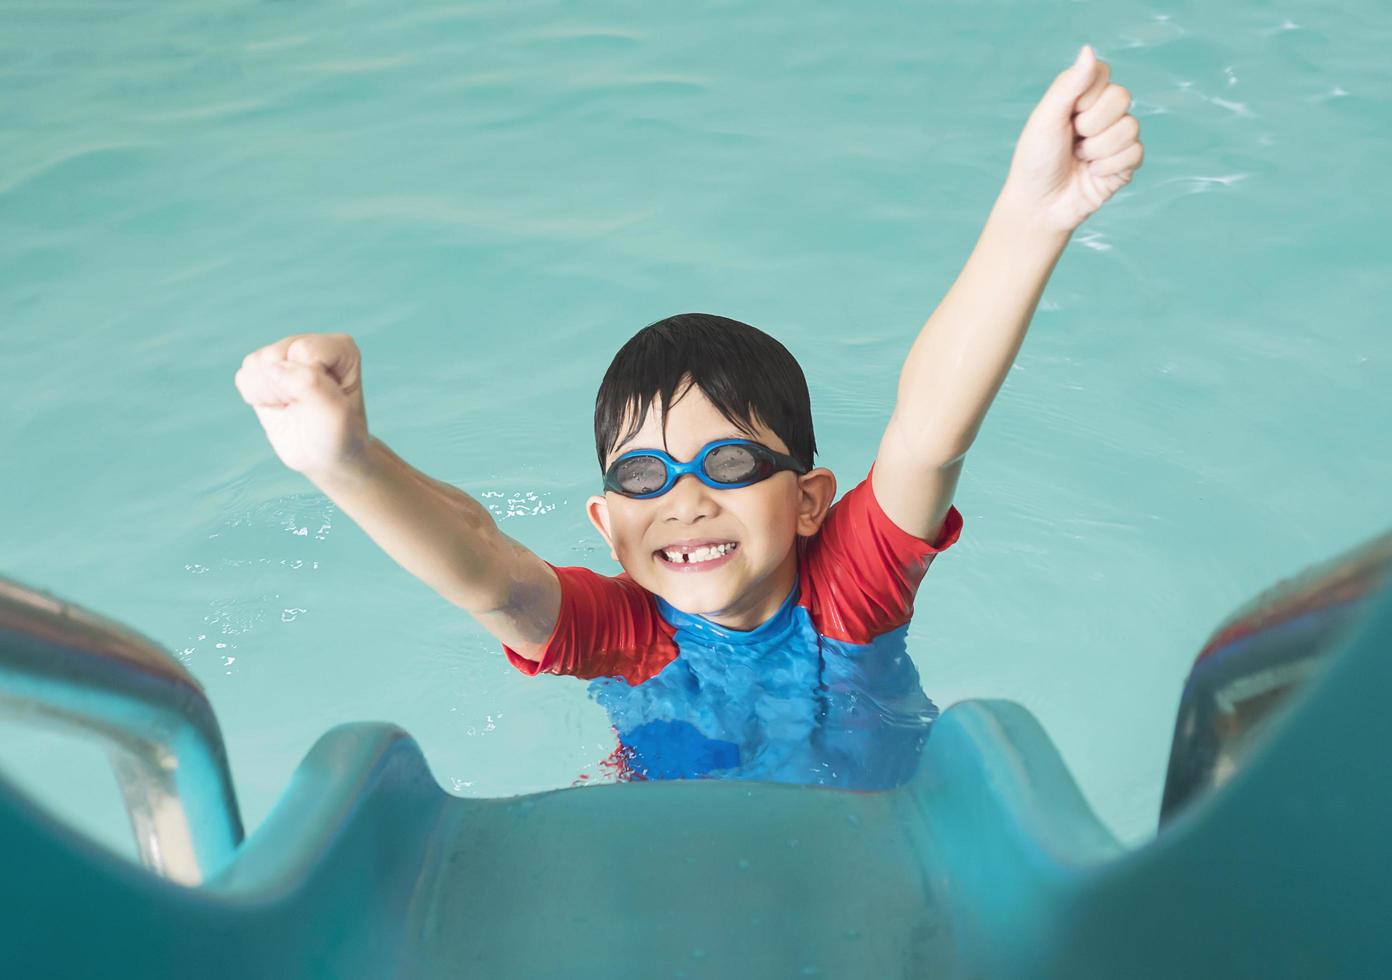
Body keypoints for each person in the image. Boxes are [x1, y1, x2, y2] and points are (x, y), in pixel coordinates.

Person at [235, 45, 1143, 788]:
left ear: (809, 499)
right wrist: (346, 461)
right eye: (641, 477)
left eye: (732, 464)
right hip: (680, 860)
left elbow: (928, 431)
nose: (684, 500)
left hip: (879, 847)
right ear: (608, 524)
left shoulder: (850, 596)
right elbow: (487, 568)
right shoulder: (627, 635)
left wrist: (1033, 219)